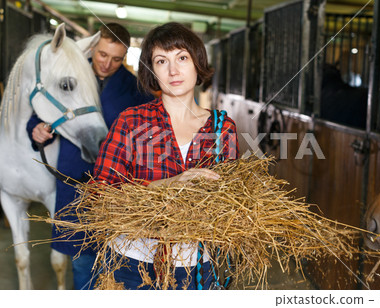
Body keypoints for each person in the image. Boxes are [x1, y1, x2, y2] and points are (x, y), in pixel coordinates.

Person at [93, 22, 239, 290]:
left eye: (182, 58)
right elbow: (99, 193)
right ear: (151, 71)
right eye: (161, 61)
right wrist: (166, 185)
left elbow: (230, 202)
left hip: (198, 264)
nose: (173, 70)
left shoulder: (222, 127)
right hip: (134, 262)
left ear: (197, 63)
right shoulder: (131, 121)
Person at [26, 23, 154, 289]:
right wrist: (35, 129)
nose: (107, 63)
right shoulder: (68, 74)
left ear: (126, 56)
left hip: (116, 190)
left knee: (118, 261)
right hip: (75, 182)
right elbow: (40, 111)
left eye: (117, 58)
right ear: (93, 47)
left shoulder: (135, 90)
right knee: (82, 261)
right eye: (102, 55)